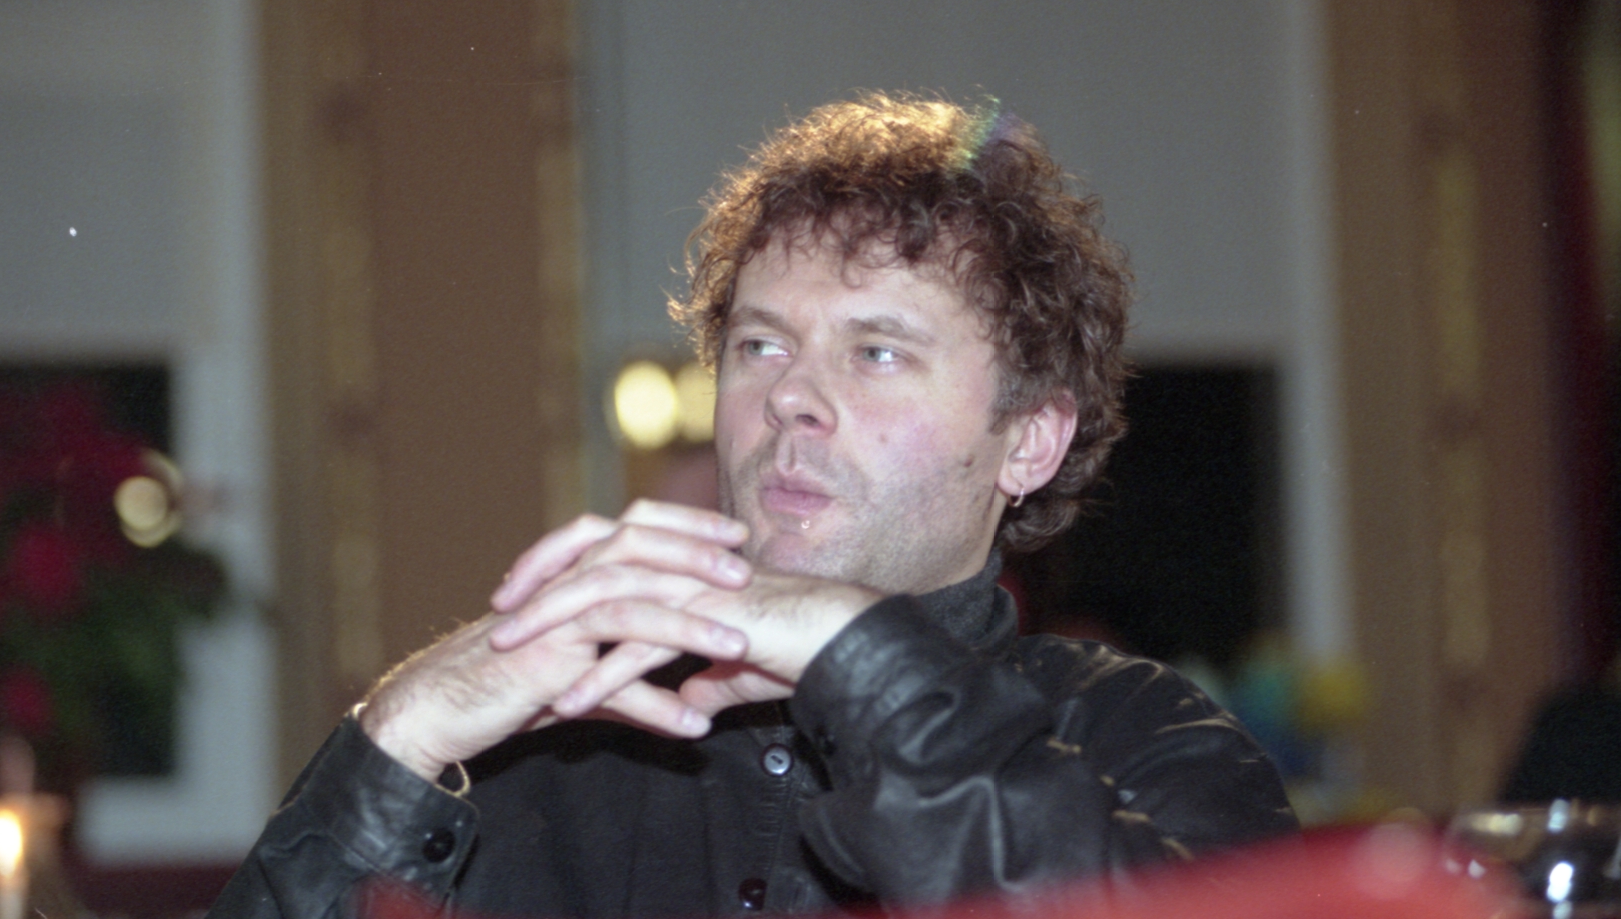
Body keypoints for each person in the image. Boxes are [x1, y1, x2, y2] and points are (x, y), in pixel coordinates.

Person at [210, 93, 1295, 919]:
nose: (789, 398)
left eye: (876, 352)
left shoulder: (1144, 743)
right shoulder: (541, 752)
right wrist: (397, 735)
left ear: (1030, 441)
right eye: (761, 346)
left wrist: (850, 652)